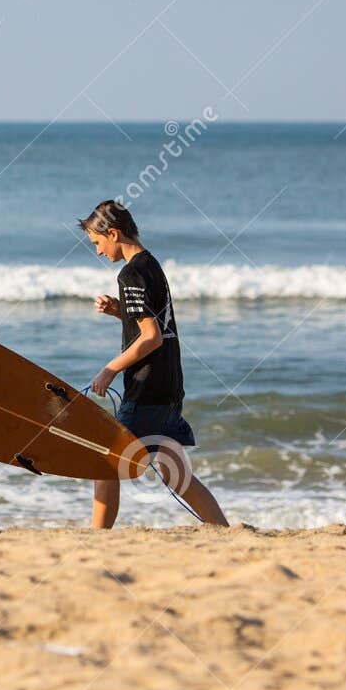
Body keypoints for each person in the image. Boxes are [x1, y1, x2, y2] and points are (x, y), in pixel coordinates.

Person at [79, 199, 229, 528]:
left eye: (97, 243)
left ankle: (96, 539)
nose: (99, 252)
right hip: (170, 384)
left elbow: (151, 338)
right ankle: (222, 531)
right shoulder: (151, 265)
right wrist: (120, 311)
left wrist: (110, 369)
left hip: (147, 388)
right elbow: (158, 324)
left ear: (113, 233)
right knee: (178, 475)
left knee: (105, 461)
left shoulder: (130, 273)